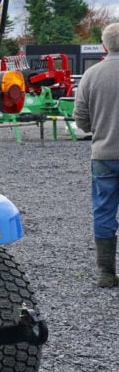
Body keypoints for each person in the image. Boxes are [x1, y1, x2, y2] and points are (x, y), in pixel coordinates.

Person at [73, 22, 119, 287]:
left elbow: (81, 119)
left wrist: (98, 129)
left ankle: (105, 272)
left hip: (103, 155)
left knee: (103, 211)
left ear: (104, 45)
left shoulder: (91, 75)